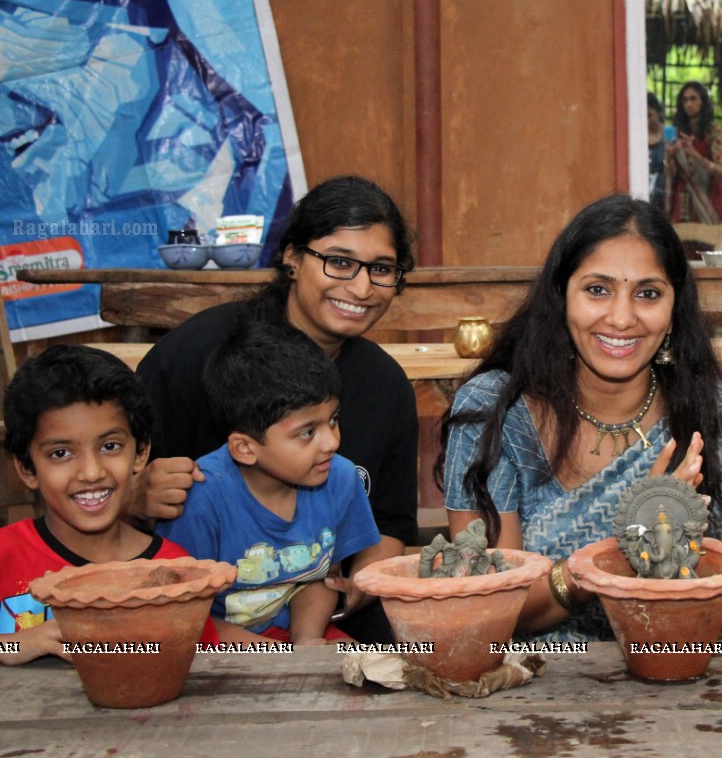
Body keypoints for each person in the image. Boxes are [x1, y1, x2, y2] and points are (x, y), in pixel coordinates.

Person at [438, 193, 722, 641]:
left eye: (648, 294)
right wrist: (625, 549)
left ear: (674, 309)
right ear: (562, 297)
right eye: (597, 289)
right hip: (534, 685)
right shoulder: (492, 412)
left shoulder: (703, 407)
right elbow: (490, 605)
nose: (621, 318)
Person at [134, 175, 418, 643]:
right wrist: (133, 496)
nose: (363, 288)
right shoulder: (196, 357)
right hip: (188, 622)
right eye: (340, 261)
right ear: (291, 257)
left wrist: (358, 584)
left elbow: (389, 522)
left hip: (322, 614)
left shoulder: (385, 386)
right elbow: (103, 482)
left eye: (382, 269)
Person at [158, 321, 381, 643]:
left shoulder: (339, 478)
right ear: (245, 448)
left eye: (333, 420)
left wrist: (307, 644)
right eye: (307, 432)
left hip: (295, 629)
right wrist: (276, 660)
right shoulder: (201, 498)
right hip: (208, 640)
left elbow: (322, 577)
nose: (330, 442)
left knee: (367, 668)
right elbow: (182, 614)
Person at [0, 346, 224, 665]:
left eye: (110, 446)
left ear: (141, 451)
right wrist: (9, 646)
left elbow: (202, 663)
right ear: (27, 468)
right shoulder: (4, 554)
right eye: (61, 453)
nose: (91, 473)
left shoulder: (175, 570)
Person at [665, 81, 722, 223]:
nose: (688, 104)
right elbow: (672, 174)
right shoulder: (676, 132)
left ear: (703, 101)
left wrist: (695, 154)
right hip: (683, 200)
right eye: (685, 100)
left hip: (709, 197)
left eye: (693, 99)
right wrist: (670, 156)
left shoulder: (713, 131)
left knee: (711, 241)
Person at [647, 92, 669, 213]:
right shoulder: (636, 137)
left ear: (658, 113)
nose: (647, 120)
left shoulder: (669, 134)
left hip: (665, 197)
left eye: (650, 115)